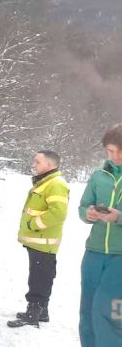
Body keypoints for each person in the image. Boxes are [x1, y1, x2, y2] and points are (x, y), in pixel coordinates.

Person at [7, 150, 69, 328]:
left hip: (44, 241)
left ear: (50, 165)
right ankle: (42, 312)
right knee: (40, 276)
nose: (34, 164)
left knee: (39, 278)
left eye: (38, 162)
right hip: (39, 241)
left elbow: (58, 213)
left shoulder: (55, 184)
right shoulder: (46, 182)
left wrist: (34, 224)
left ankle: (33, 313)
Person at [78, 122, 122, 347]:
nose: (115, 156)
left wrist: (118, 217)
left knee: (111, 314)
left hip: (120, 258)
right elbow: (83, 206)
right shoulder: (99, 176)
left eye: (120, 151)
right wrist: (89, 213)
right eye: (110, 151)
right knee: (87, 311)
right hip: (94, 253)